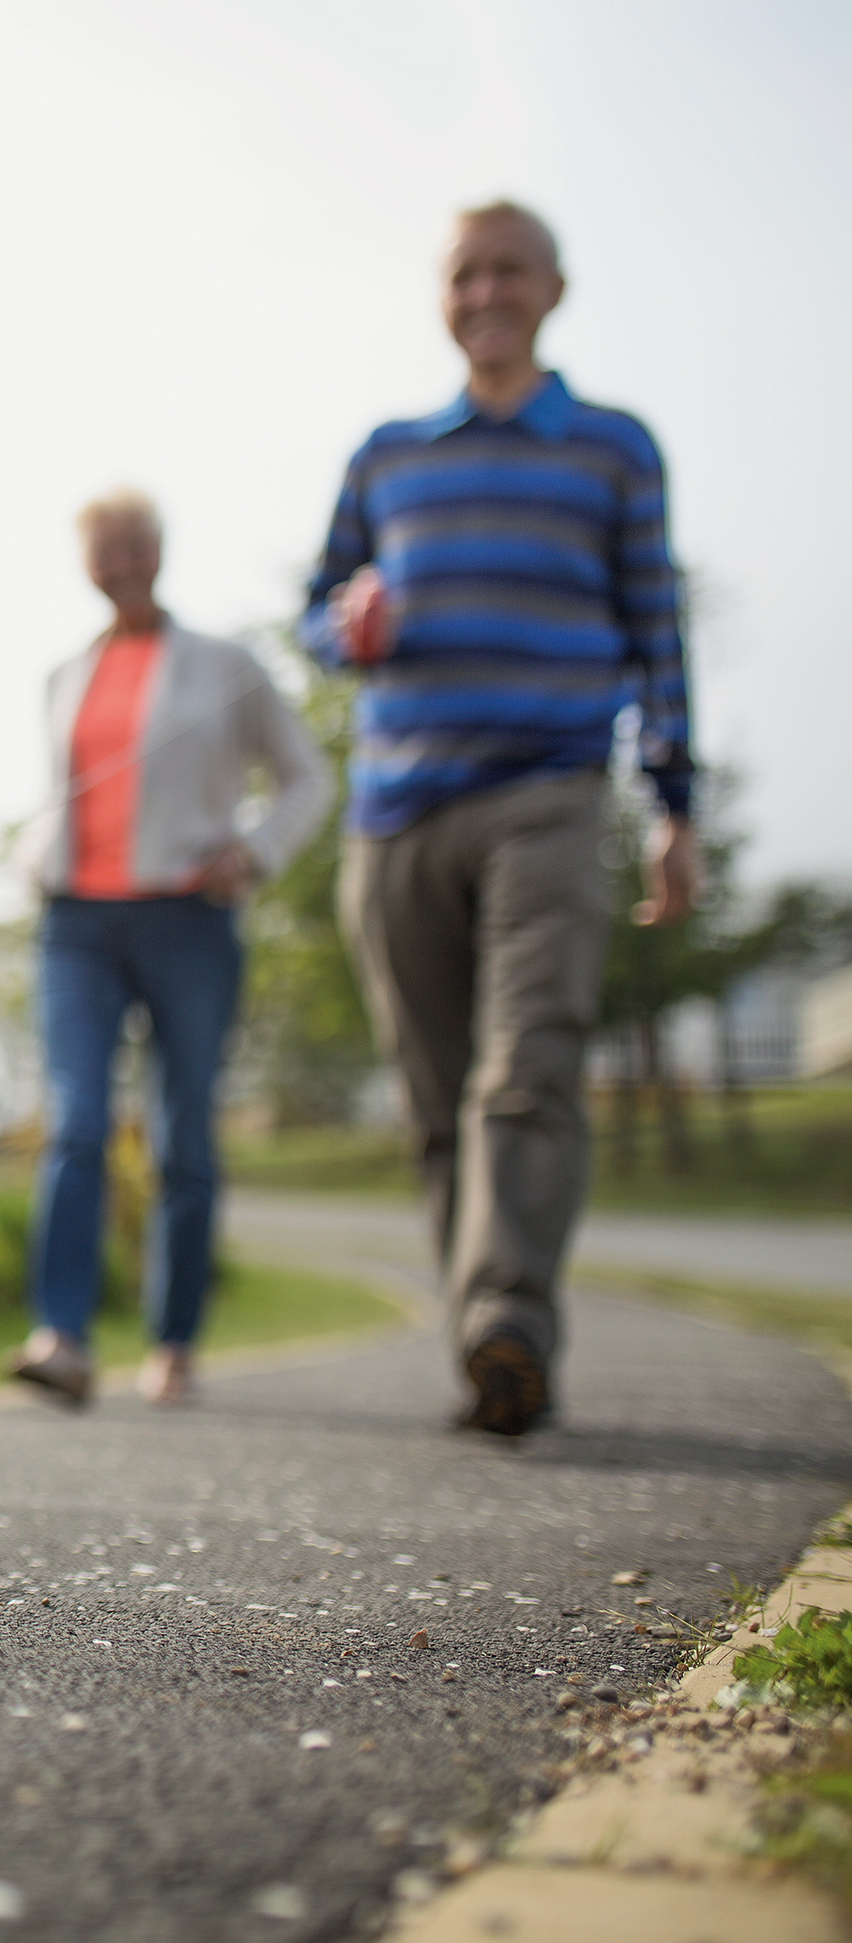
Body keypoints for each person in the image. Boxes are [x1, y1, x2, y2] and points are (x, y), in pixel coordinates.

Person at [301, 200, 696, 1437]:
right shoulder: (387, 451)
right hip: (398, 810)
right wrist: (344, 621)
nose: (487, 293)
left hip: (551, 793)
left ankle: (507, 1321)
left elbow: (657, 631)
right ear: (442, 296)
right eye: (465, 274)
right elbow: (319, 610)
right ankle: (483, 1326)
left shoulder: (615, 448)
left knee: (526, 1067)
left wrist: (674, 804)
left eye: (508, 271)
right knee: (435, 1100)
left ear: (553, 288)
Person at [8, 490, 332, 1408]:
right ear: (86, 565)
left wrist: (255, 851)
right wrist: (39, 853)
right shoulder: (64, 674)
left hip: (188, 918)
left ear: (160, 551)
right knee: (76, 1125)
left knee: (186, 1135)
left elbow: (308, 777)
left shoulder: (227, 666)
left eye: (134, 547)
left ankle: (175, 1340)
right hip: (75, 924)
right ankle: (62, 1336)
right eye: (103, 552)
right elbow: (66, 796)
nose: (121, 566)